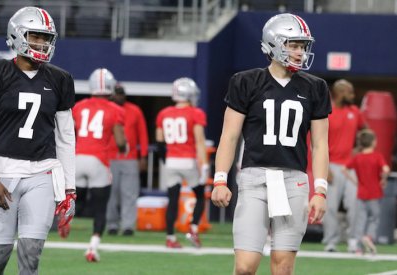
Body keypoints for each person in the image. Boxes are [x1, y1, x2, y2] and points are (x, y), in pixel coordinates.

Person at [211, 13, 330, 274]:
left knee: (283, 268)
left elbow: (320, 144)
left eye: (303, 46)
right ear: (274, 44)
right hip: (254, 177)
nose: (300, 52)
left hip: (294, 181)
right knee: (244, 267)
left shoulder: (316, 87)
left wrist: (320, 190)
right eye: (294, 45)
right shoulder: (246, 81)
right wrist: (220, 179)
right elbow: (229, 136)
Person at [0, 7, 76, 275]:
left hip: (42, 172)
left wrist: (69, 188)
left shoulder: (61, 79)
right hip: (3, 174)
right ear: (17, 35)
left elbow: (66, 138)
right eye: (35, 36)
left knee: (31, 255)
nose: (41, 43)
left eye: (46, 38)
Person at [73, 68, 127, 262]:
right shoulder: (116, 109)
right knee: (100, 207)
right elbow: (120, 141)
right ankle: (93, 247)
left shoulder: (79, 107)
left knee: (74, 199)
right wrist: (124, 148)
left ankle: (64, 217)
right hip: (98, 160)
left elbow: (68, 132)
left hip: (77, 158)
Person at [156, 77, 209, 248]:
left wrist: (166, 159)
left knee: (173, 199)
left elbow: (159, 140)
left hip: (171, 161)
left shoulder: (164, 113)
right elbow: (200, 141)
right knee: (200, 195)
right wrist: (205, 164)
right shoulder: (196, 113)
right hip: (187, 161)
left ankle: (170, 237)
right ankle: (193, 228)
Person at [322, 79, 366, 253]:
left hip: (350, 168)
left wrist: (359, 148)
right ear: (339, 93)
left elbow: (366, 131)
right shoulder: (327, 112)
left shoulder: (355, 111)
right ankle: (331, 242)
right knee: (330, 206)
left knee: (355, 204)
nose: (353, 95)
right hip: (331, 166)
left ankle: (353, 241)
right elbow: (317, 142)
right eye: (349, 92)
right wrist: (324, 168)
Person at [106, 83, 149, 236]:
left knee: (129, 193)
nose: (120, 96)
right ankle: (111, 223)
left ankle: (128, 225)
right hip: (109, 157)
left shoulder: (135, 110)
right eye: (117, 94)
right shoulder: (107, 109)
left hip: (129, 157)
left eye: (122, 94)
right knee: (111, 193)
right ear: (112, 95)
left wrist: (143, 156)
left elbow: (142, 134)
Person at [343, 129, 390, 255]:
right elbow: (386, 169)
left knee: (360, 220)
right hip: (375, 194)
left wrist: (355, 182)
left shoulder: (357, 157)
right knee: (374, 218)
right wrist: (383, 180)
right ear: (373, 142)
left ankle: (358, 247)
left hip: (361, 194)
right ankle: (369, 236)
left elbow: (344, 169)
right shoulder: (377, 156)